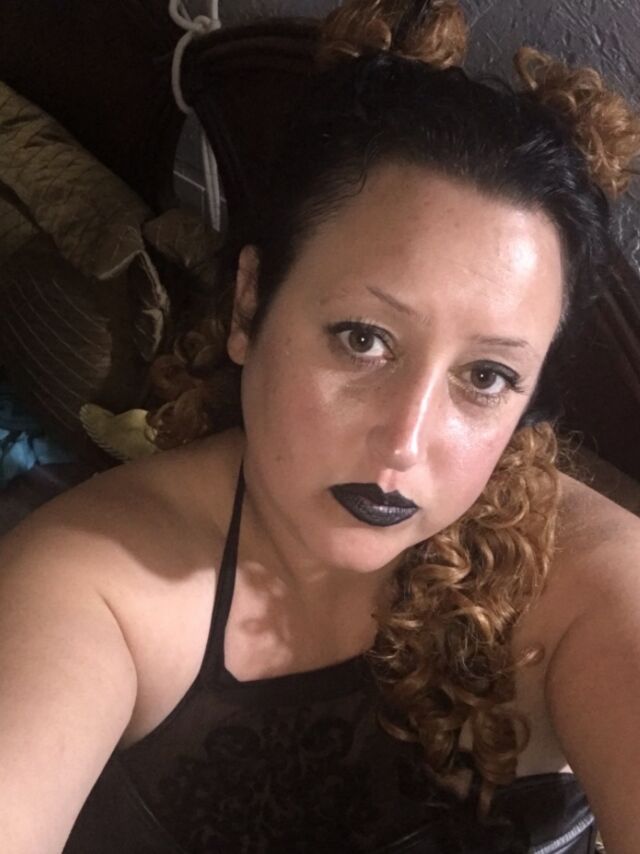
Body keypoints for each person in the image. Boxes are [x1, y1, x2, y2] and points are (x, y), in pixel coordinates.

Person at [2, 1, 640, 851]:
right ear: (249, 304)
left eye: (486, 377)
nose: (404, 443)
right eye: (363, 339)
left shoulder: (594, 584)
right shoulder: (95, 585)